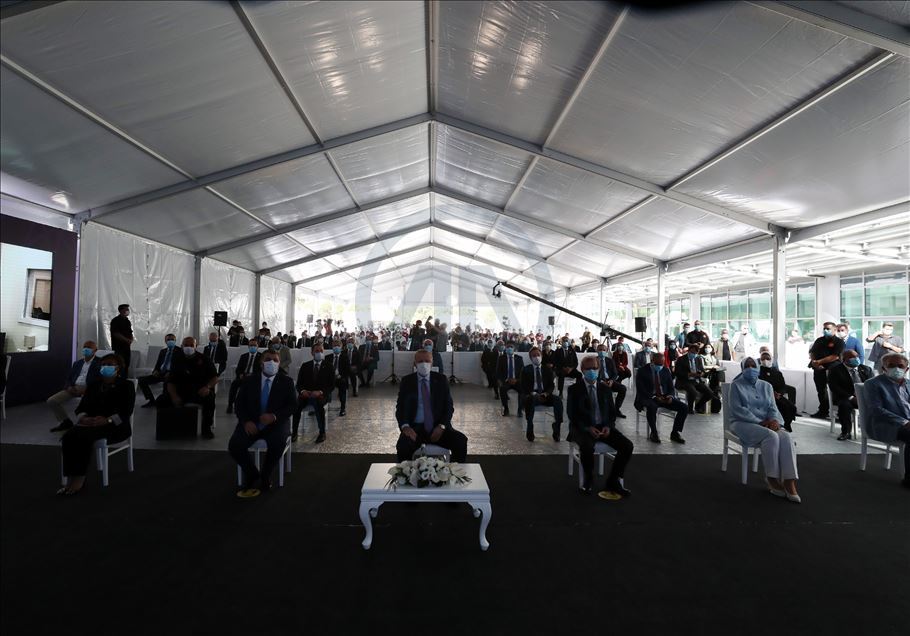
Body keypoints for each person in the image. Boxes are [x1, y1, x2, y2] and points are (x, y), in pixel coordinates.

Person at [57, 354, 134, 495]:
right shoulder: (94, 385)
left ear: (118, 368)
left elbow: (126, 412)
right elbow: (80, 408)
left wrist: (107, 420)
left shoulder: (126, 386)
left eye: (110, 364)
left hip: (115, 426)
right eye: (103, 364)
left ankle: (79, 479)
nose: (106, 367)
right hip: (91, 423)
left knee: (84, 437)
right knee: (68, 437)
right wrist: (83, 418)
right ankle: (70, 478)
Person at [728, 357, 801, 502]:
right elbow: (738, 410)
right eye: (747, 366)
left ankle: (789, 480)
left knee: (786, 436)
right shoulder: (735, 385)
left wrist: (775, 421)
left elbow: (773, 408)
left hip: (766, 423)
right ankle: (772, 478)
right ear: (742, 369)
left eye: (753, 365)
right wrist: (760, 422)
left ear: (758, 367)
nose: (750, 369)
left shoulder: (767, 386)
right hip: (742, 423)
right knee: (771, 436)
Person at [229, 350, 297, 498]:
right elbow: (239, 405)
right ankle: (252, 473)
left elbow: (293, 406)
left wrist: (274, 416)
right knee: (235, 445)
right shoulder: (249, 381)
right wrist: (246, 422)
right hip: (252, 423)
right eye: (268, 359)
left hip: (276, 423)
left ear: (279, 364)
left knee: (277, 443)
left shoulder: (286, 382)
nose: (271, 362)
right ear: (261, 363)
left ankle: (266, 475)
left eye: (275, 360)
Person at [566, 355, 634, 500]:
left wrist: (608, 427)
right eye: (588, 368)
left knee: (627, 446)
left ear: (599, 369)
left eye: (595, 368)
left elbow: (612, 413)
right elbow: (572, 415)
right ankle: (589, 480)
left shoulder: (605, 389)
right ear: (582, 370)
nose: (592, 371)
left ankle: (613, 481)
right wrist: (587, 428)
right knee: (587, 447)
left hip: (603, 427)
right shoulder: (574, 389)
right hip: (582, 428)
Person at [394, 349, 467, 462]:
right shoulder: (407, 381)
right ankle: (406, 473)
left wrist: (442, 426)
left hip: (438, 427)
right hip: (414, 429)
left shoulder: (441, 380)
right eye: (420, 361)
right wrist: (405, 427)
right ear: (414, 364)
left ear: (432, 363)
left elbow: (448, 407)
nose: (424, 364)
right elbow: (400, 408)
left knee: (460, 441)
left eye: (427, 361)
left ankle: (453, 471)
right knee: (403, 446)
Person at [862, 353, 910, 488]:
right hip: (886, 424)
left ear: (906, 369)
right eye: (891, 365)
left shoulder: (908, 383)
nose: (896, 368)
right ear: (884, 368)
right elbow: (876, 410)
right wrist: (904, 422)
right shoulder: (873, 384)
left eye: (900, 366)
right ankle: (909, 479)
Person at [165, 337, 218, 439]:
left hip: (199, 392)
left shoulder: (204, 359)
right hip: (180, 392)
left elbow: (215, 378)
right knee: (161, 400)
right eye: (186, 345)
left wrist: (207, 387)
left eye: (191, 345)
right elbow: (170, 381)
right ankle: (168, 428)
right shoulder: (177, 359)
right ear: (182, 346)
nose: (188, 347)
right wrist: (174, 396)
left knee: (210, 398)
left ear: (196, 346)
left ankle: (206, 428)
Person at [48, 341, 102, 432]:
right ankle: (65, 422)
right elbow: (69, 378)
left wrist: (88, 389)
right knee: (52, 401)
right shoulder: (77, 363)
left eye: (89, 347)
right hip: (74, 387)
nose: (86, 349)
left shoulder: (100, 363)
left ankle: (89, 424)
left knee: (89, 406)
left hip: (89, 389)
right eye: (85, 347)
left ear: (95, 350)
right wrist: (69, 387)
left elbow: (100, 380)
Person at [634, 352, 687, 444]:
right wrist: (654, 397)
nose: (660, 366)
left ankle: (675, 433)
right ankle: (654, 432)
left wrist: (670, 396)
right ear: (652, 361)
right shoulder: (642, 371)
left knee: (684, 407)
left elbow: (671, 387)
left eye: (661, 364)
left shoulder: (665, 370)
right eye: (657, 364)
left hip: (664, 397)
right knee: (652, 407)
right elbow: (641, 389)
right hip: (648, 397)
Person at [291, 343, 334, 443]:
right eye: (317, 351)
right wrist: (303, 391)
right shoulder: (305, 366)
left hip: (321, 395)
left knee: (318, 405)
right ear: (312, 353)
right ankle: (294, 432)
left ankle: (322, 433)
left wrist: (320, 392)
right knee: (296, 406)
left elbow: (331, 385)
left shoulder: (329, 366)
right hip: (306, 394)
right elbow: (299, 384)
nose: (319, 353)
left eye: (321, 351)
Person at [827, 349, 873, 440]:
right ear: (844, 359)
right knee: (844, 406)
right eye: (852, 357)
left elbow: (873, 385)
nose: (856, 359)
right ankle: (846, 432)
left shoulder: (866, 369)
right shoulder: (835, 370)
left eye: (857, 356)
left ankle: (874, 431)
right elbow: (834, 387)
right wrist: (851, 397)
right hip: (845, 397)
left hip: (864, 397)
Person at [520, 347, 563, 442]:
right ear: (530, 358)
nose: (536, 357)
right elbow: (523, 385)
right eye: (534, 355)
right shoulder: (526, 369)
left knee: (558, 400)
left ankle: (557, 427)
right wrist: (534, 393)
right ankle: (530, 427)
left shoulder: (547, 369)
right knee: (530, 400)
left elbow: (551, 385)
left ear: (542, 356)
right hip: (532, 394)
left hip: (545, 394)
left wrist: (546, 393)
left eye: (538, 355)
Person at [808, 321, 844, 419]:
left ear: (834, 330)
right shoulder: (819, 340)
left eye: (828, 329)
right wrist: (815, 362)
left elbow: (835, 356)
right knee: (821, 391)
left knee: (836, 390)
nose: (825, 330)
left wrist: (819, 362)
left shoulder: (839, 342)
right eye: (824, 328)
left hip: (833, 369)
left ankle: (840, 413)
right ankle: (823, 411)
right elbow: (812, 352)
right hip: (818, 369)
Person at [758, 351, 797, 432]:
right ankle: (779, 424)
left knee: (791, 407)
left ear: (771, 359)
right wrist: (771, 393)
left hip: (777, 396)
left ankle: (787, 424)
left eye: (767, 358)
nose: (765, 360)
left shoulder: (777, 373)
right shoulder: (758, 372)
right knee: (781, 407)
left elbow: (782, 386)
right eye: (763, 359)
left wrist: (779, 393)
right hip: (765, 396)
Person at [674, 344, 717, 415]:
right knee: (693, 392)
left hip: (696, 380)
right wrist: (689, 374)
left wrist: (702, 373)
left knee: (710, 393)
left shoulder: (698, 359)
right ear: (689, 351)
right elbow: (677, 372)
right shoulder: (681, 359)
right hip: (685, 381)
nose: (693, 354)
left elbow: (702, 370)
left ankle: (698, 406)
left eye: (695, 353)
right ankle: (690, 409)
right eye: (692, 352)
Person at [138, 334, 178, 408]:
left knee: (167, 382)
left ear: (175, 341)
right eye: (168, 340)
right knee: (142, 380)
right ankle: (151, 400)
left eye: (172, 339)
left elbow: (180, 366)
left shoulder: (179, 351)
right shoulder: (163, 351)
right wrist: (155, 371)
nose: (170, 341)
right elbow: (158, 364)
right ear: (165, 341)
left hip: (172, 374)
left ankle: (165, 401)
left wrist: (171, 373)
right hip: (161, 373)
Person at [227, 341, 261, 414]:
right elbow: (238, 369)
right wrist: (240, 374)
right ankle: (230, 405)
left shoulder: (261, 357)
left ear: (257, 347)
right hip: (244, 376)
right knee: (234, 384)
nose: (252, 347)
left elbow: (261, 370)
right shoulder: (243, 356)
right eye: (251, 345)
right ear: (248, 347)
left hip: (255, 378)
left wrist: (253, 375)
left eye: (254, 345)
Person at [595, 344, 627, 418]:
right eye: (600, 350)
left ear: (606, 351)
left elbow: (615, 373)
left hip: (610, 380)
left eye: (604, 350)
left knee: (623, 388)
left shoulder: (610, 360)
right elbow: (593, 374)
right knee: (606, 390)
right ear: (597, 351)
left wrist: (612, 380)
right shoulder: (594, 360)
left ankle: (617, 409)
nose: (602, 351)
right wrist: (602, 382)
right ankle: (607, 411)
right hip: (599, 382)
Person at [497, 343, 524, 417]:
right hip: (506, 381)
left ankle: (520, 410)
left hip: (516, 381)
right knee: (502, 389)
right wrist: (502, 380)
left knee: (523, 389)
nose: (509, 348)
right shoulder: (501, 358)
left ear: (514, 349)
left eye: (511, 347)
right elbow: (498, 372)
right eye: (508, 347)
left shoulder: (519, 358)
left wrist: (517, 380)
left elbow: (522, 372)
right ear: (505, 349)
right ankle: (506, 409)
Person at [326, 341, 349, 417]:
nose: (336, 347)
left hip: (340, 378)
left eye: (338, 346)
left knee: (343, 384)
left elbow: (347, 370)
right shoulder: (328, 357)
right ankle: (320, 406)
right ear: (332, 347)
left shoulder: (345, 357)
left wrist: (340, 376)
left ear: (341, 347)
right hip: (330, 378)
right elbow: (325, 370)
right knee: (322, 384)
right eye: (334, 345)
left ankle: (343, 408)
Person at [109, 304, 134, 372]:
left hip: (127, 347)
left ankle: (125, 377)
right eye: (126, 309)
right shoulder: (115, 320)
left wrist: (131, 339)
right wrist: (126, 340)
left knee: (126, 364)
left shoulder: (127, 321)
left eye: (128, 309)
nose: (128, 311)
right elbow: (115, 333)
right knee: (119, 364)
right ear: (121, 310)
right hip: (118, 347)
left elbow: (130, 332)